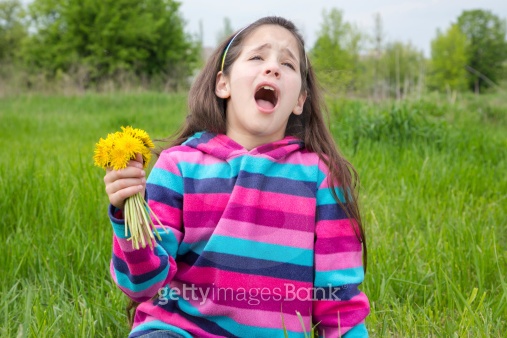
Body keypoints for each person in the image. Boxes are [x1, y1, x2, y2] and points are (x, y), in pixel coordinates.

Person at [104, 16, 370, 338]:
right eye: (257, 57)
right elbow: (142, 285)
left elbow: (339, 299)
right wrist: (127, 216)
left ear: (300, 100)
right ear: (223, 84)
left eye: (287, 64)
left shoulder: (321, 177)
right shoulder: (179, 167)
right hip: (178, 331)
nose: (272, 68)